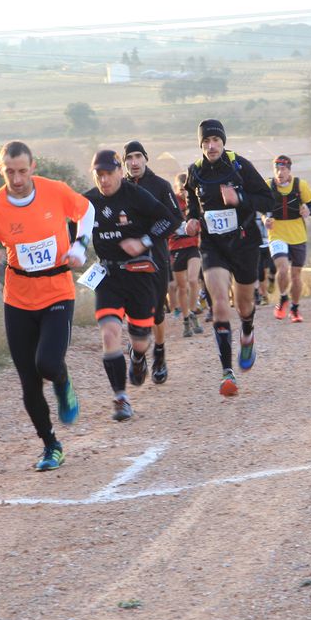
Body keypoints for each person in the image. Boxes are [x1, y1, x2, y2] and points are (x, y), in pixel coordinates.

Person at [0, 141, 94, 472]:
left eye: (22, 170)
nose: (17, 178)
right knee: (28, 380)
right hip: (18, 299)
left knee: (48, 364)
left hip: (57, 292)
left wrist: (80, 245)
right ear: (1, 170)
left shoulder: (55, 191)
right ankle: (51, 446)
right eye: (10, 171)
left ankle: (63, 382)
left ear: (33, 166)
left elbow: (86, 211)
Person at [183, 119, 274, 396]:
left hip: (244, 243)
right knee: (220, 302)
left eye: (216, 141)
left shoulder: (240, 166)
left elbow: (267, 200)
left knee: (244, 305)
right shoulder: (195, 172)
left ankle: (247, 332)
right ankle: (227, 373)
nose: (211, 146)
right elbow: (192, 206)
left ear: (223, 143)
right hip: (213, 246)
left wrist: (240, 198)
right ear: (200, 144)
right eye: (206, 142)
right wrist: (191, 221)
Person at [82, 150, 175, 421]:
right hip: (108, 276)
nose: (104, 180)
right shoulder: (87, 202)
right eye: (99, 175)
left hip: (139, 275)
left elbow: (169, 220)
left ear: (119, 173)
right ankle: (120, 398)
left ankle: (138, 356)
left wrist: (143, 242)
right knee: (109, 332)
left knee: (140, 340)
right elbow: (70, 229)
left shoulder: (136, 196)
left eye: (109, 173)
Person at [123, 140, 183, 384]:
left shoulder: (160, 186)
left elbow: (174, 218)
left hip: (156, 257)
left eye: (138, 156)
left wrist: (148, 238)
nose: (134, 162)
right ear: (124, 162)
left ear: (146, 158)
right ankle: (138, 355)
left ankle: (159, 352)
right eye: (129, 158)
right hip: (126, 260)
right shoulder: (119, 187)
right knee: (132, 310)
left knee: (157, 313)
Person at [265, 155, 311, 323]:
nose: (280, 173)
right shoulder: (268, 186)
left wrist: (307, 211)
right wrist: (265, 219)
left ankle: (294, 308)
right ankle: (282, 298)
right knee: (282, 267)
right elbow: (262, 208)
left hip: (298, 235)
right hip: (277, 234)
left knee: (296, 275)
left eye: (283, 169)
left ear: (289, 170)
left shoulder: (301, 185)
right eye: (277, 169)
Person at [168, 172, 204, 337]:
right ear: (176, 188)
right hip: (175, 248)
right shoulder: (171, 202)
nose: (183, 192)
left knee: (192, 280)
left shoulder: (193, 202)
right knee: (182, 287)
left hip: (192, 246)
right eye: (181, 189)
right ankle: (186, 319)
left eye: (185, 189)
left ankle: (193, 311)